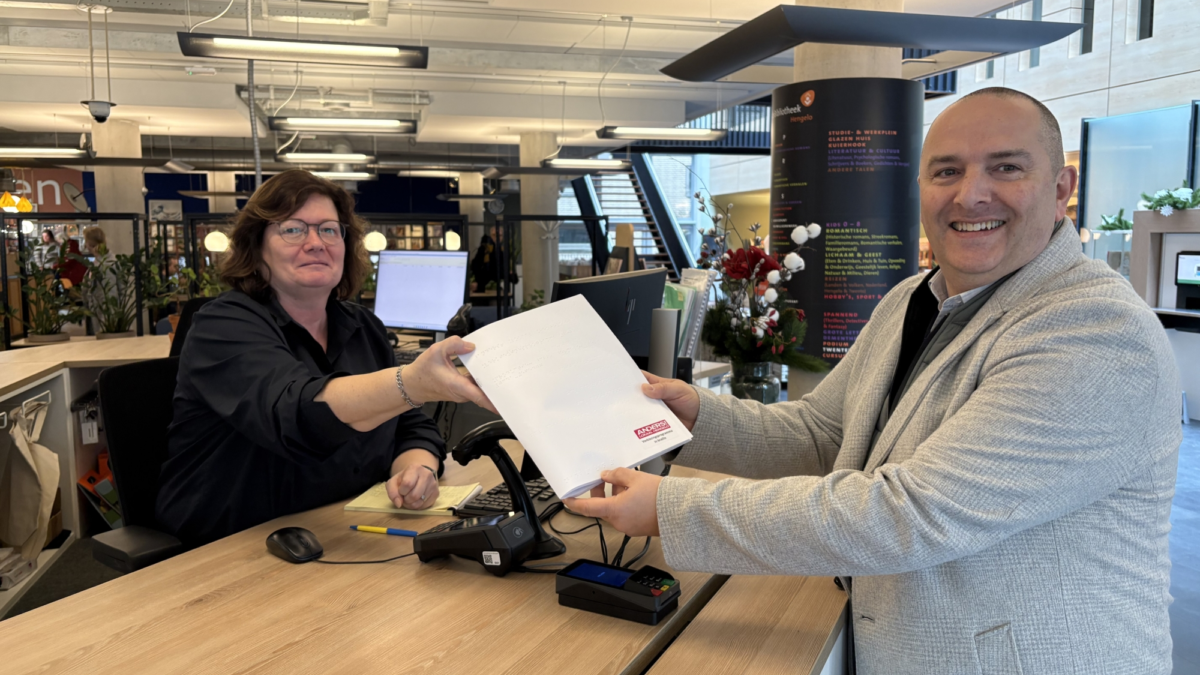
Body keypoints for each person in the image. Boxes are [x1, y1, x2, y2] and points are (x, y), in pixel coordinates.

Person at [566, 88, 1182, 674]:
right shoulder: (913, 298)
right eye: (946, 172)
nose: (972, 195)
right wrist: (691, 415)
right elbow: (824, 434)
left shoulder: (1095, 332)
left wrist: (673, 510)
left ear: (1061, 188)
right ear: (920, 186)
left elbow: (910, 514)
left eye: (1006, 168)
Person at [157, 169, 494, 546]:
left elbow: (410, 426)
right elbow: (297, 414)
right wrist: (411, 383)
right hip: (234, 543)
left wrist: (416, 469)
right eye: (293, 229)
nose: (316, 243)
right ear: (257, 246)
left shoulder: (362, 326)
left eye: (329, 230)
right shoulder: (222, 325)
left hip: (342, 530)